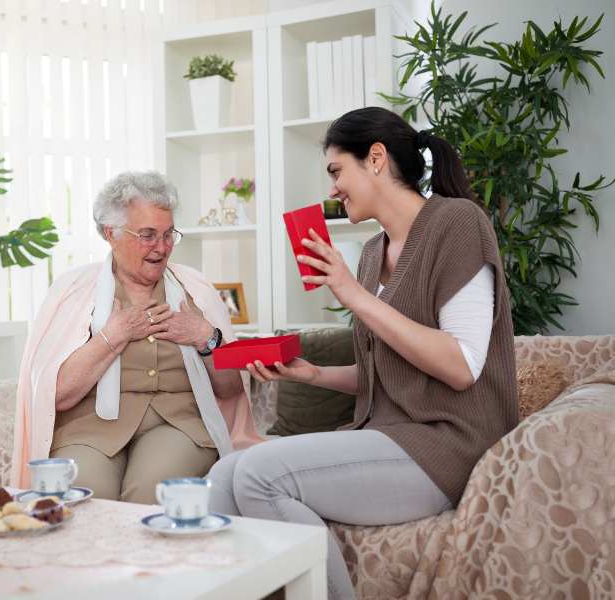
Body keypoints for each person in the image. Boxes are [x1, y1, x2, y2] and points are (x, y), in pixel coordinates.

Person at [207, 107, 518, 600]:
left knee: (261, 477)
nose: (332, 188)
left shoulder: (457, 223)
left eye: (336, 170)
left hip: (448, 446)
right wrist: (311, 375)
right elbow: (388, 372)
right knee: (224, 474)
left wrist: (353, 294)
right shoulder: (374, 251)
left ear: (375, 159)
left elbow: (460, 367)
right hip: (386, 437)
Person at [11, 171, 262, 503]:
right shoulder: (73, 293)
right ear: (110, 233)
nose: (162, 247)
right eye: (147, 235)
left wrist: (205, 336)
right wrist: (112, 336)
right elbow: (56, 395)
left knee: (148, 492)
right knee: (86, 494)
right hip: (90, 430)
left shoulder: (194, 290)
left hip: (178, 426)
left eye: (168, 234)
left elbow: (231, 390)